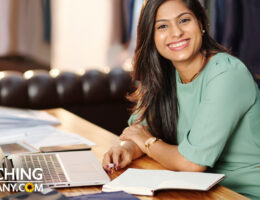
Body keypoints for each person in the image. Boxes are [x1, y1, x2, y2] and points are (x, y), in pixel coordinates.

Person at [102, 0, 260, 199]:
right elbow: (140, 129)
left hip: (243, 193)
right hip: (198, 190)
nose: (176, 32)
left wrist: (147, 142)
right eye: (162, 26)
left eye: (184, 20)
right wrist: (127, 149)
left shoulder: (226, 73)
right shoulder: (164, 74)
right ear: (151, 36)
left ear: (201, 24)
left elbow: (192, 163)